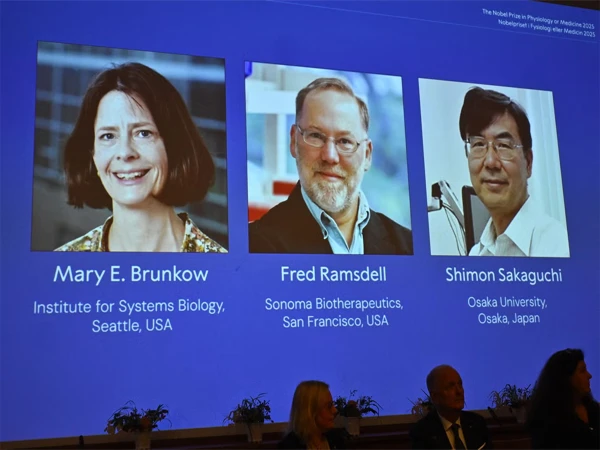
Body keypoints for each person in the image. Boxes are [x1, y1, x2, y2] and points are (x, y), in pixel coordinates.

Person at [55, 62, 226, 252]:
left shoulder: (218, 264)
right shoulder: (65, 260)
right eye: (108, 136)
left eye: (143, 133)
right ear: (92, 155)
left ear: (174, 146)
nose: (125, 152)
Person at [249, 77, 413, 255]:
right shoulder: (255, 245)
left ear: (367, 155)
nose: (330, 156)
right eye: (316, 136)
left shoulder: (408, 247)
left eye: (345, 141)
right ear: (294, 141)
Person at [459, 87, 569, 257]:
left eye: (503, 145)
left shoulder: (561, 249)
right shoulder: (476, 256)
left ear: (528, 163)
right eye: (478, 144)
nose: (490, 162)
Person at [527, 348, 599, 448]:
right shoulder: (549, 421)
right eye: (582, 371)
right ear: (565, 378)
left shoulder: (593, 409)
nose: (589, 376)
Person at [410, 365, 492, 449]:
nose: (459, 391)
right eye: (450, 387)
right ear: (434, 397)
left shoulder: (477, 422)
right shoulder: (422, 432)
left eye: (460, 384)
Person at [278, 380, 347, 450]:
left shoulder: (336, 439)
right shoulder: (290, 445)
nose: (335, 410)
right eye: (329, 406)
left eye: (332, 404)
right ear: (310, 412)